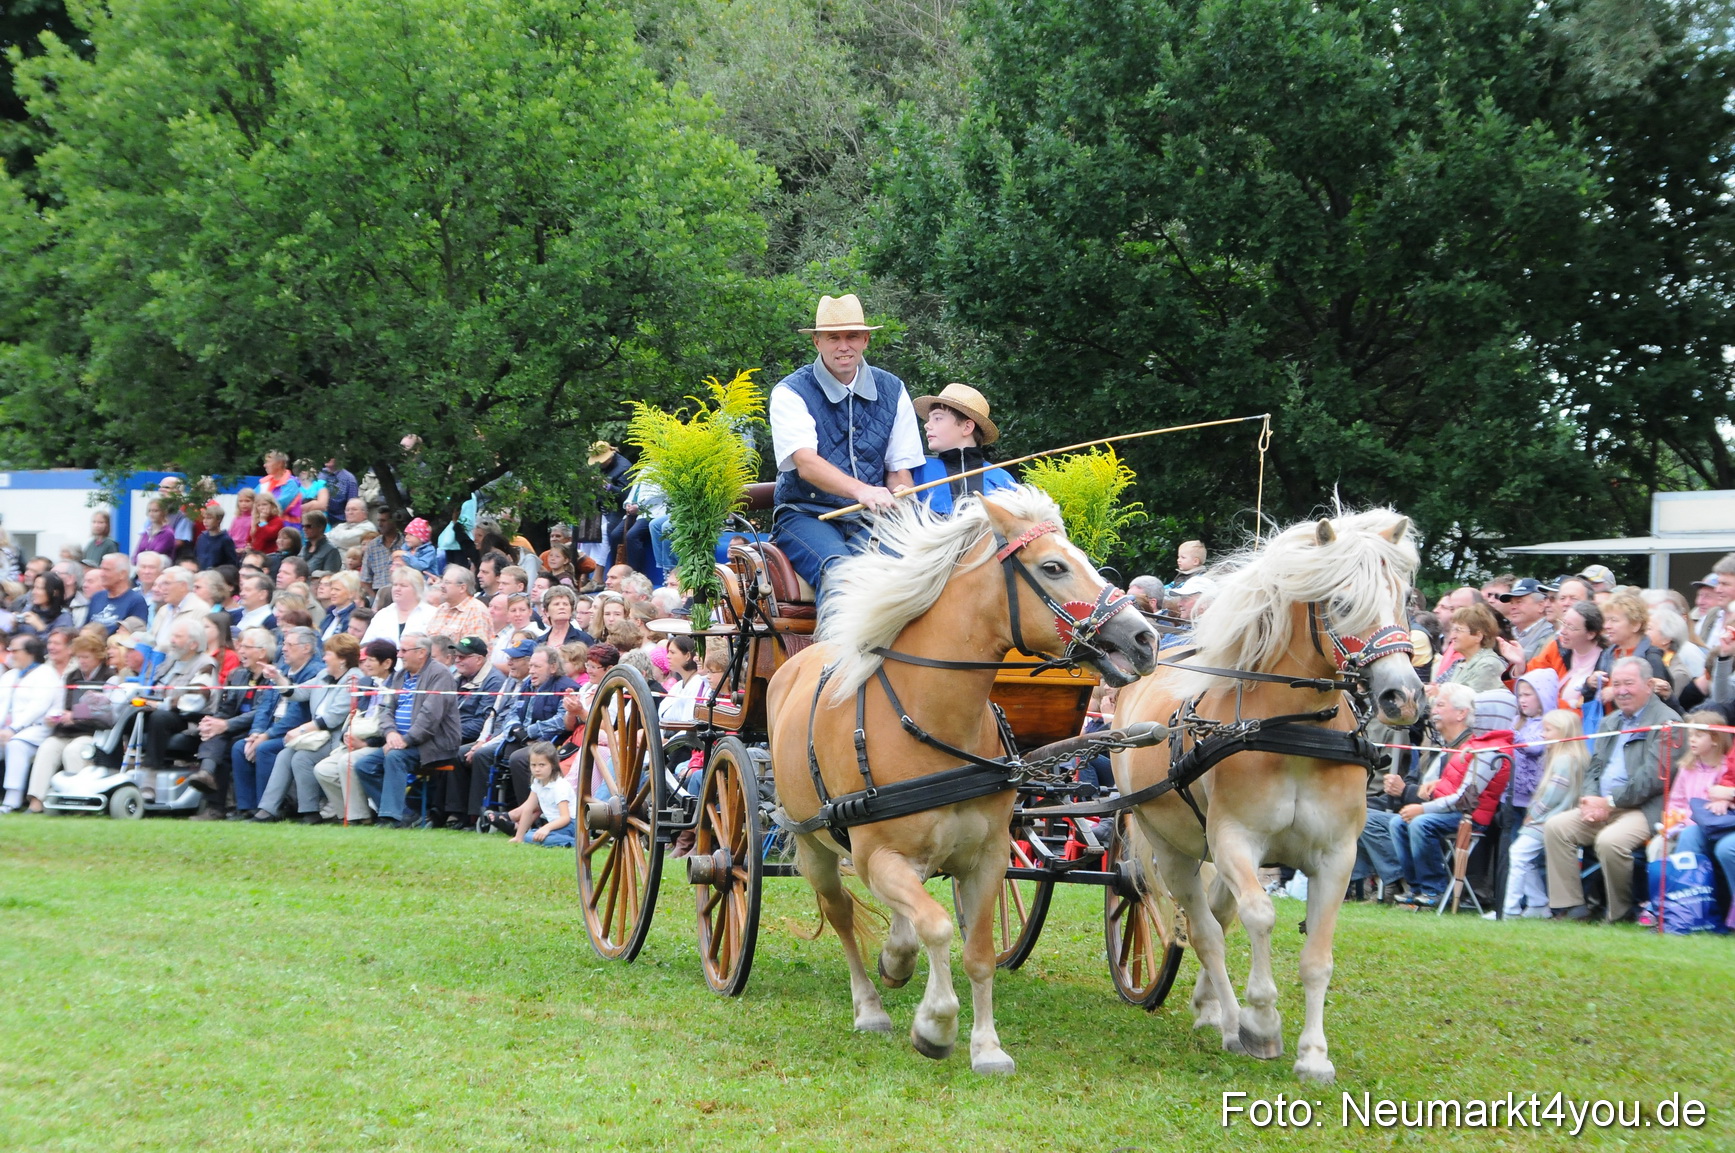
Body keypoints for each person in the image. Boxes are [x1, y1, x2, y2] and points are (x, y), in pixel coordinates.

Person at [768, 293, 924, 600]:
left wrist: (902, 495)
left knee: (910, 571)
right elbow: (806, 463)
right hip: (805, 515)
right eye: (833, 337)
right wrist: (863, 491)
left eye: (852, 336)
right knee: (840, 574)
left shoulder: (893, 389)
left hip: (869, 518)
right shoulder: (790, 391)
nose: (843, 346)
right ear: (817, 342)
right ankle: (836, 649)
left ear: (866, 340)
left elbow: (898, 469)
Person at [1544, 657, 1679, 922]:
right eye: (1616, 684)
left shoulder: (1667, 723)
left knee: (1610, 842)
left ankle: (1620, 913)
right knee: (1556, 827)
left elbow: (1652, 780)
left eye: (1629, 683)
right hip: (1603, 805)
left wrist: (1608, 802)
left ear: (1649, 685)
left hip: (1644, 809)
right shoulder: (1611, 721)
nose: (1622, 691)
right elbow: (1594, 767)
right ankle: (1572, 907)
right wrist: (1591, 797)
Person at [1389, 687, 1515, 908]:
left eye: (1480, 710)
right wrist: (1435, 784)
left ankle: (1433, 889)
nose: (1474, 715)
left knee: (1420, 823)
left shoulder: (1491, 750)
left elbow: (1464, 799)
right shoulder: (1479, 743)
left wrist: (1423, 809)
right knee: (1398, 822)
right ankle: (1416, 887)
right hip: (1455, 808)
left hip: (1470, 815)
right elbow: (1462, 782)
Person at [351, 632, 460, 829]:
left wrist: (406, 740)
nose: (399, 655)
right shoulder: (400, 676)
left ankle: (391, 818)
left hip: (434, 744)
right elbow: (385, 709)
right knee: (364, 765)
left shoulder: (440, 675)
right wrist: (391, 734)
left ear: (421, 653)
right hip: (399, 742)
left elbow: (431, 716)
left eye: (403, 650)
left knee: (395, 757)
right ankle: (406, 814)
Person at [1502, 709, 1588, 918]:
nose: (1543, 734)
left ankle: (1510, 910)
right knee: (1524, 857)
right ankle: (1537, 903)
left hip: (1548, 819)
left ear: (1563, 732)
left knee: (1518, 854)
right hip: (1560, 816)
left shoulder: (1563, 760)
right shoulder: (1578, 757)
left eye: (1548, 730)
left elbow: (1552, 796)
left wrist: (1533, 814)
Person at [272, 634, 365, 824]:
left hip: (337, 739)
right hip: (318, 737)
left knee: (302, 758)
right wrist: (277, 677)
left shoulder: (354, 678)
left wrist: (301, 730)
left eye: (328, 654)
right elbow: (297, 692)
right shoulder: (323, 675)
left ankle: (310, 812)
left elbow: (334, 716)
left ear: (342, 658)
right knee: (285, 754)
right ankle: (267, 808)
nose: (323, 658)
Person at [236, 627, 321, 819]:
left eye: (290, 644)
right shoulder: (281, 668)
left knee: (264, 749)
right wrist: (256, 732)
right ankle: (246, 807)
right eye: (284, 643)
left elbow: (297, 714)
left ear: (306, 648)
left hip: (296, 731)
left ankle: (268, 808)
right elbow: (265, 705)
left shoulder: (314, 673)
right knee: (240, 747)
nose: (284, 648)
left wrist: (266, 736)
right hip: (271, 728)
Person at [907, 383, 1016, 515]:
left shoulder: (1002, 480)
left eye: (937, 418)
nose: (927, 426)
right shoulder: (916, 469)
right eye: (929, 419)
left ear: (967, 427)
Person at [0, 634, 64, 811]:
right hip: (6, 729)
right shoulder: (10, 675)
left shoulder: (46, 674)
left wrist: (13, 728)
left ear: (30, 653)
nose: (11, 654)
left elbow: (38, 707)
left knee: (16, 745)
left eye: (15, 650)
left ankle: (11, 800)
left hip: (36, 730)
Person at [499, 741, 576, 846]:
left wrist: (546, 828)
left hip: (572, 825)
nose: (537, 769)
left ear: (553, 765)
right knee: (530, 836)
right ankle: (558, 840)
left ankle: (579, 843)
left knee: (534, 837)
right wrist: (519, 836)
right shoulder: (537, 782)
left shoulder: (559, 786)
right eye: (533, 765)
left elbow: (565, 818)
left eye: (542, 765)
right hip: (557, 826)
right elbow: (528, 809)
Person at [1435, 602, 1505, 692]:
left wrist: (1436, 694)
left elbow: (1467, 702)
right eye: (1452, 630)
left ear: (1478, 636)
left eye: (1458, 630)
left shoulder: (1488, 665)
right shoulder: (1460, 664)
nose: (1452, 636)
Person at [362, 567, 437, 644]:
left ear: (417, 589)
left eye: (403, 585)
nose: (397, 589)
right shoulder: (382, 614)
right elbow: (366, 645)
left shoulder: (432, 614)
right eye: (395, 585)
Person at [86, 554, 150, 634]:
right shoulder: (97, 597)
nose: (101, 574)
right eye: (101, 569)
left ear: (122, 574)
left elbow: (136, 635)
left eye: (106, 570)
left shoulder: (136, 601)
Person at [1496, 578, 1555, 663]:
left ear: (1541, 606)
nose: (1513, 607)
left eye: (1519, 602)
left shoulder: (1549, 633)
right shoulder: (1509, 632)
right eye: (1512, 603)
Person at [429, 567, 492, 643]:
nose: (442, 586)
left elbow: (475, 650)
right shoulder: (441, 608)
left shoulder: (476, 611)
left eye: (447, 582)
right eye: (442, 582)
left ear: (462, 588)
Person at [15, 571, 73, 636]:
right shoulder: (28, 609)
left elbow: (58, 644)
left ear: (55, 592)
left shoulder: (64, 617)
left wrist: (41, 628)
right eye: (34, 587)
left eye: (39, 588)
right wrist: (13, 626)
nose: (34, 592)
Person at [258, 450, 304, 528]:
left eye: (268, 462)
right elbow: (253, 502)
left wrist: (259, 509)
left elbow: (278, 506)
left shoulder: (291, 484)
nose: (264, 465)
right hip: (266, 526)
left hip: (287, 530)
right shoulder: (264, 482)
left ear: (279, 463)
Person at [301, 510, 343, 576]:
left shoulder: (331, 550)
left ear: (320, 527)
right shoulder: (304, 548)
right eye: (302, 526)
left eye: (308, 526)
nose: (304, 529)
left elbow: (329, 577)